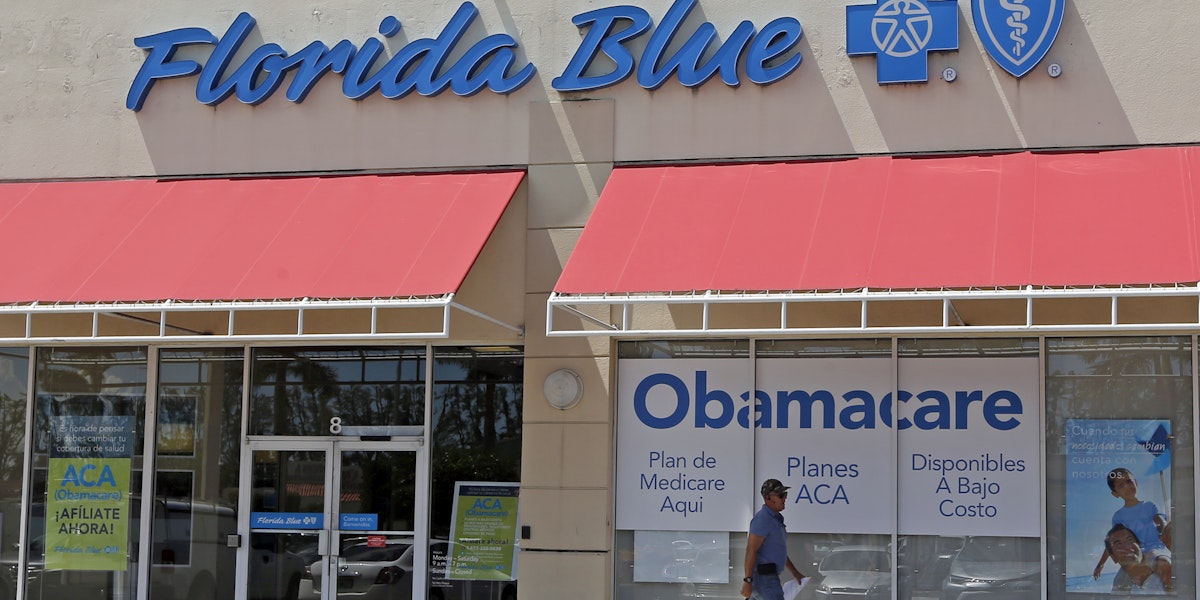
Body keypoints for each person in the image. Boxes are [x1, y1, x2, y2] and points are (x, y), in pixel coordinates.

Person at [1092, 468, 1172, 591]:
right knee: (1119, 582)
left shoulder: (1149, 505)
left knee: (1164, 564)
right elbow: (1113, 542)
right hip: (1134, 555)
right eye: (1121, 485)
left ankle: (1170, 594)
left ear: (1136, 482)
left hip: (1155, 549)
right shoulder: (1118, 516)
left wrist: (1164, 531)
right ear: (1115, 493)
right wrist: (1100, 564)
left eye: (1129, 481)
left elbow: (1160, 521)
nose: (1127, 486)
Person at [741, 478, 805, 600]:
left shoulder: (775, 519)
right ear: (768, 498)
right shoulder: (763, 519)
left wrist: (795, 572)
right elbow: (751, 550)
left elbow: (778, 551)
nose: (784, 498)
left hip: (767, 579)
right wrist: (748, 581)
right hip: (765, 580)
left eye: (785, 494)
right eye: (780, 495)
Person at [1106, 524, 1166, 594]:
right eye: (1119, 544)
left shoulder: (1162, 566)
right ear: (1113, 558)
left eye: (1130, 539)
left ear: (1139, 545)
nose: (1128, 546)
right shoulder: (1120, 583)